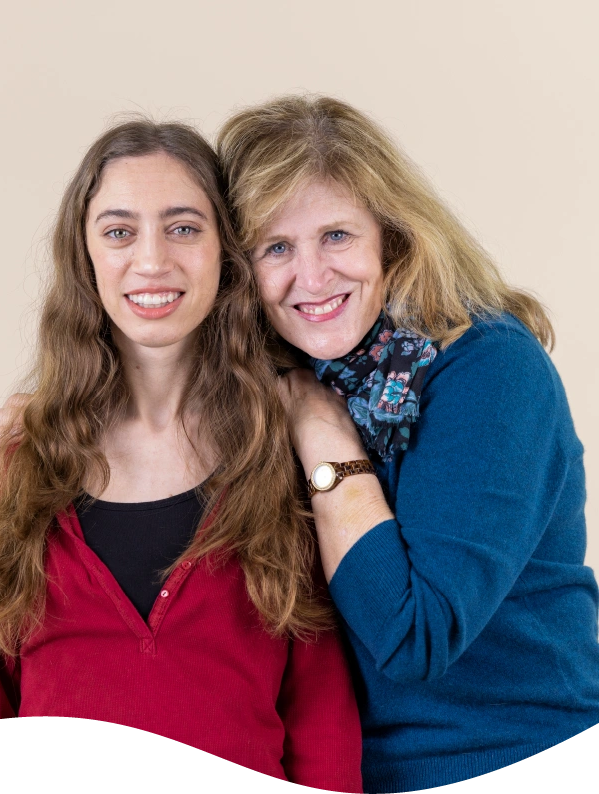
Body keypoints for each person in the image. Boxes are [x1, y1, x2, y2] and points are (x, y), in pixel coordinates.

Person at [0, 118, 363, 793]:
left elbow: (321, 717)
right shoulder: (23, 466)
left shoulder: (281, 456)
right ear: (85, 257)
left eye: (183, 227)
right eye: (119, 232)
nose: (151, 261)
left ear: (225, 254)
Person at [214, 95, 599, 793]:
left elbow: (412, 635)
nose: (313, 277)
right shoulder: (279, 377)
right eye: (276, 247)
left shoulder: (488, 370)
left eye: (336, 236)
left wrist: (323, 432)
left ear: (390, 238)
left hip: (513, 761)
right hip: (350, 773)